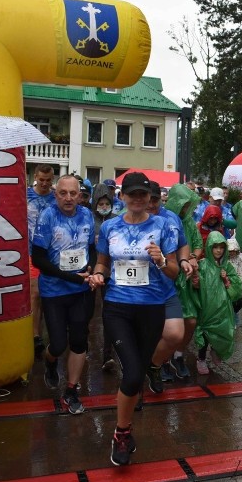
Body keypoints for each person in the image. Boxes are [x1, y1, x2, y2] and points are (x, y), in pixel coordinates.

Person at [87, 172, 186, 466]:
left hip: (152, 307)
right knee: (131, 374)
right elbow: (103, 262)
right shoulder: (110, 226)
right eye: (133, 194)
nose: (138, 199)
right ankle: (122, 432)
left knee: (137, 372)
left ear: (149, 198)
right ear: (123, 196)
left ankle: (128, 413)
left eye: (143, 194)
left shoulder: (162, 226)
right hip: (117, 306)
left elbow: (173, 272)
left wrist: (160, 260)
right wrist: (97, 275)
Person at [31, 176, 96, 414]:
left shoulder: (87, 215)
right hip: (54, 290)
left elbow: (91, 248)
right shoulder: (48, 217)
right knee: (58, 344)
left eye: (73, 193)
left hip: (80, 290)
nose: (68, 198)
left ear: (80, 195)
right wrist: (70, 276)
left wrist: (91, 269)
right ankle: (50, 361)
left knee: (79, 340)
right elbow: (37, 258)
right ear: (55, 194)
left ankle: (71, 389)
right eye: (63, 193)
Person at [145, 182, 191, 392]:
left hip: (166, 285)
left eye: (156, 199)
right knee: (142, 336)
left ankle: (153, 365)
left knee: (174, 334)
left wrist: (183, 260)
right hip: (137, 290)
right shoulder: (129, 217)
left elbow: (183, 243)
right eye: (149, 199)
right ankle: (134, 386)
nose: (152, 204)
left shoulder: (171, 218)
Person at [164, 184, 205, 379]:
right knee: (165, 322)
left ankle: (178, 356)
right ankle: (161, 359)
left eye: (188, 205)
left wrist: (193, 257)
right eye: (183, 204)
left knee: (190, 320)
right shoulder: (162, 220)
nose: (186, 209)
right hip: (166, 277)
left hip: (186, 277)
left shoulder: (189, 222)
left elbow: (197, 244)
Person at [191, 231, 242, 375]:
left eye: (221, 247)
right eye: (215, 247)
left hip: (223, 308)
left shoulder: (227, 266)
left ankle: (216, 350)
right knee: (205, 334)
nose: (218, 250)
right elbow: (195, 286)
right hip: (207, 307)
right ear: (209, 248)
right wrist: (195, 282)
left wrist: (226, 281)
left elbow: (237, 288)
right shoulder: (202, 265)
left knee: (223, 331)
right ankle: (201, 359)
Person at [27, 164, 56, 358]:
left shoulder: (56, 198)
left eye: (48, 180)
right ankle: (35, 335)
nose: (44, 184)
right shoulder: (26, 195)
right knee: (35, 293)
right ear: (35, 177)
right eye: (41, 179)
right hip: (31, 251)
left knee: (49, 295)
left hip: (53, 253)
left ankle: (52, 334)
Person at [91, 183, 117, 370]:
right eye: (100, 202)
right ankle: (80, 347)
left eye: (107, 202)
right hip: (89, 269)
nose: (104, 206)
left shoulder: (116, 220)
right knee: (86, 312)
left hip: (110, 273)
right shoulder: (87, 219)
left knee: (108, 312)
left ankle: (108, 355)